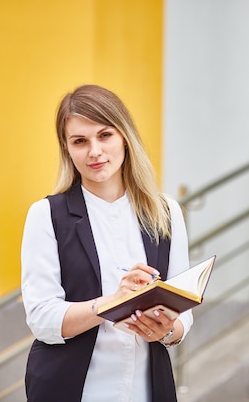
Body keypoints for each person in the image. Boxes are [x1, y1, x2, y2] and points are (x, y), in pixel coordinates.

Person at [20, 84, 191, 402]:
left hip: (147, 389)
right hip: (71, 390)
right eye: (80, 141)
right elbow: (42, 319)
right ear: (67, 148)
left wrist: (166, 330)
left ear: (124, 136)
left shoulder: (166, 212)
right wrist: (114, 303)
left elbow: (184, 311)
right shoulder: (46, 215)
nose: (94, 151)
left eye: (105, 135)